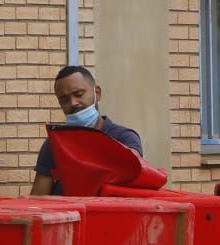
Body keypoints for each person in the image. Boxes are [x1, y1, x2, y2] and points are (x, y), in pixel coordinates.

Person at [30, 64, 143, 195]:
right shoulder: (53, 145)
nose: (73, 103)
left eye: (79, 94)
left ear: (98, 93)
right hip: (69, 215)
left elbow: (133, 175)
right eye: (65, 99)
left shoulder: (124, 138)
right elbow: (38, 198)